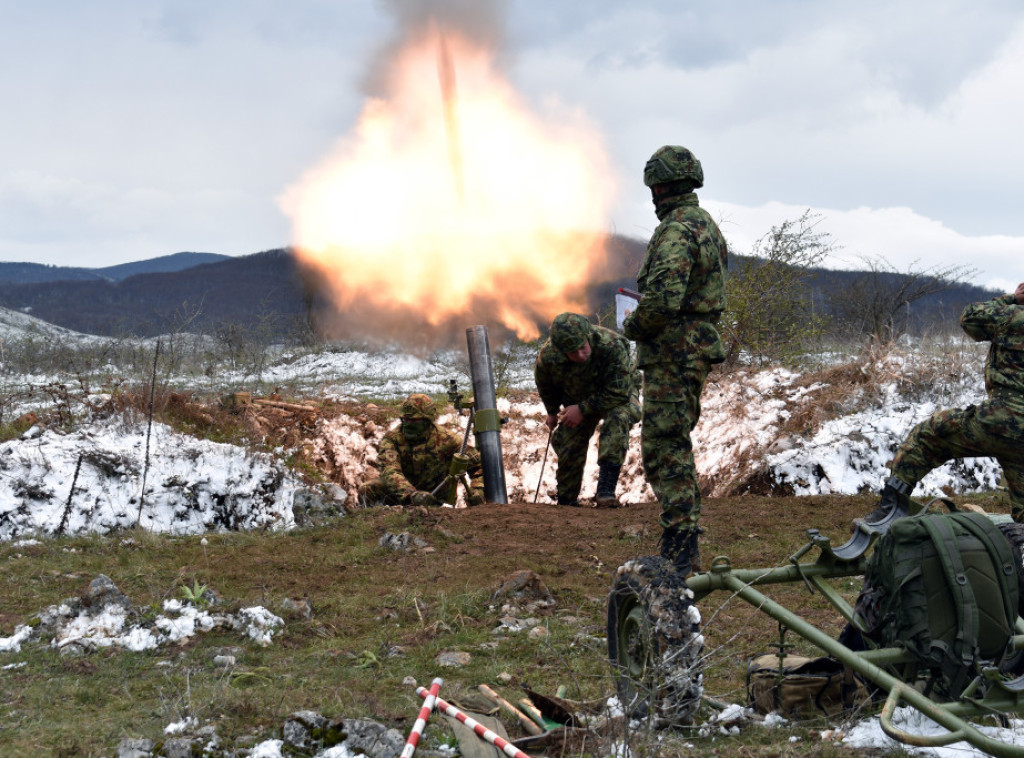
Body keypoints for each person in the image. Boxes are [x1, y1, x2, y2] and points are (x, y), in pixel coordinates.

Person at [622, 145, 728, 576]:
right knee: (673, 444)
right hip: (688, 350)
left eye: (654, 185)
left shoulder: (677, 230)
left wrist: (632, 325)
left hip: (674, 353)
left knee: (666, 449)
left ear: (661, 185)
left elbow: (664, 300)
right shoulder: (705, 226)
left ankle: (681, 550)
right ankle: (682, 544)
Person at [863, 282, 1024, 525]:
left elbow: (971, 318)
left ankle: (889, 510)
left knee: (927, 436)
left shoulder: (1013, 318)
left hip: (1004, 420)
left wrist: (1013, 298)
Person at [534, 312, 641, 507]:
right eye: (572, 353)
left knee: (618, 419)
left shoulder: (613, 344)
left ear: (588, 337)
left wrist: (583, 409)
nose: (580, 355)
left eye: (582, 348)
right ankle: (567, 500)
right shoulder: (549, 356)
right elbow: (545, 384)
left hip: (619, 396)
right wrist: (551, 412)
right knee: (568, 437)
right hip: (578, 399)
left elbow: (619, 392)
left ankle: (605, 492)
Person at [358, 393, 486, 507]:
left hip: (437, 499)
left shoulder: (448, 440)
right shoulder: (392, 439)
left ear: (427, 420)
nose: (408, 423)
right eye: (405, 419)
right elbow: (390, 470)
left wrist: (477, 490)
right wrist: (412, 495)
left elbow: (478, 466)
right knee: (367, 490)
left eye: (414, 420)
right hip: (403, 495)